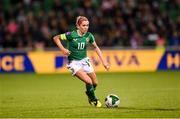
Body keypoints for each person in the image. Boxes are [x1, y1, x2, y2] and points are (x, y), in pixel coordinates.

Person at [53, 16, 110, 107]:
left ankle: (89, 93)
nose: (86, 27)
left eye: (87, 25)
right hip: (74, 63)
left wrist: (104, 62)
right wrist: (63, 49)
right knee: (88, 81)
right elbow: (56, 38)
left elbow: (96, 47)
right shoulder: (71, 34)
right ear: (78, 26)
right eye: (83, 25)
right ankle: (93, 100)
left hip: (84, 61)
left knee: (95, 83)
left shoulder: (89, 36)